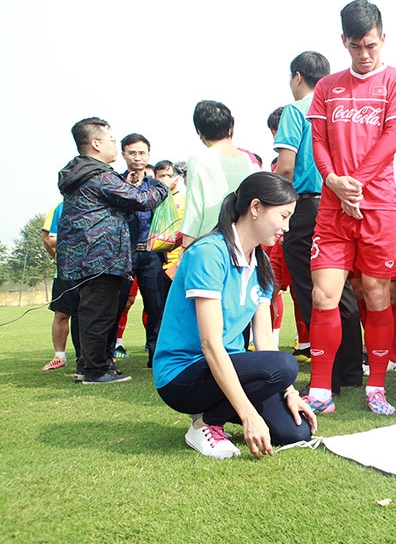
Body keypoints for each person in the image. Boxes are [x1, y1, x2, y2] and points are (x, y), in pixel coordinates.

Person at [305, 0, 396, 416]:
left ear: (383, 39)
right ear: (344, 43)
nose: (364, 55)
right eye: (355, 47)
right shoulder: (327, 87)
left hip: (379, 206)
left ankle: (377, 385)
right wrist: (333, 180)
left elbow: (394, 137)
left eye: (370, 45)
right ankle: (319, 389)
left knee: (376, 293)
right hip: (333, 207)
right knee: (323, 295)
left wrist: (358, 183)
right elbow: (318, 141)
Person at [154, 172, 316, 459]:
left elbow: (264, 338)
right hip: (182, 374)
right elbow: (210, 344)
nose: (286, 228)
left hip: (228, 367)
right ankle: (205, 423)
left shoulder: (261, 262)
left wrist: (290, 392)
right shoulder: (209, 253)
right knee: (285, 364)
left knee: (296, 431)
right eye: (282, 216)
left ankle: (216, 412)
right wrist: (248, 415)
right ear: (255, 208)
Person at [274, 52, 362, 390]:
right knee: (344, 291)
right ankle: (352, 370)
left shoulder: (296, 111)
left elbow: (285, 167)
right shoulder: (339, 108)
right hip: (343, 202)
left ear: (298, 77)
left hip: (308, 205)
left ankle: (330, 376)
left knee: (313, 291)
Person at [57, 117, 168, 384]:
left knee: (89, 313)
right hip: (100, 258)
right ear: (95, 144)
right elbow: (142, 199)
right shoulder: (99, 174)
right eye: (110, 140)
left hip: (83, 257)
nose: (114, 146)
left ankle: (88, 365)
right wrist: (164, 185)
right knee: (99, 313)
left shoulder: (81, 172)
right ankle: (96, 370)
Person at [118, 133, 167, 367]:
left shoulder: (157, 187)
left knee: (157, 306)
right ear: (123, 154)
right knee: (115, 304)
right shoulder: (114, 183)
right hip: (122, 254)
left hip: (151, 253)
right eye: (132, 152)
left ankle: (156, 355)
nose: (137, 157)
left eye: (142, 153)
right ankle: (107, 355)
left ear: (148, 155)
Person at [180, 100, 258, 248]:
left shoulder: (198, 160)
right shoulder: (247, 160)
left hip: (209, 240)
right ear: (230, 127)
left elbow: (194, 207)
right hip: (243, 241)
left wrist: (187, 245)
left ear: (199, 132)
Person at [40, 202, 79, 371]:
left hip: (91, 272)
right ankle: (59, 356)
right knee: (62, 314)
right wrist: (58, 258)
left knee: (90, 314)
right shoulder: (60, 207)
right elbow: (46, 237)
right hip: (65, 271)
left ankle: (92, 356)